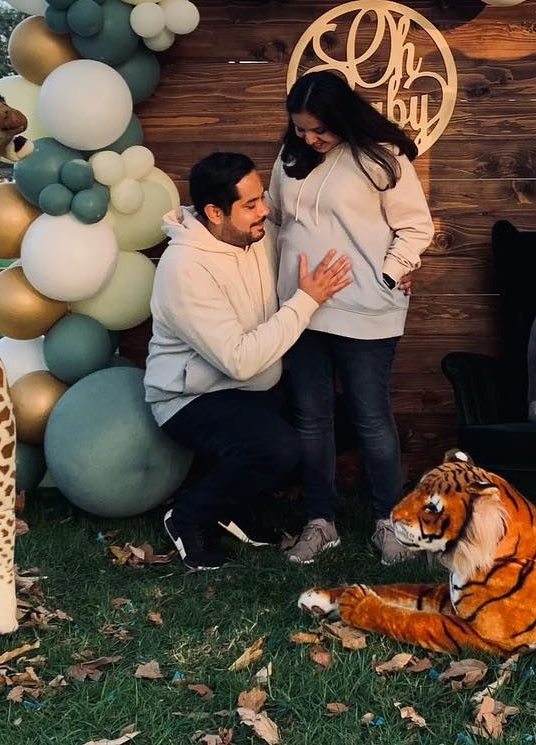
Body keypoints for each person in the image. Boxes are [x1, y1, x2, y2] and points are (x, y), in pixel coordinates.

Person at [145, 151, 352, 571]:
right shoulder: (184, 268)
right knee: (277, 446)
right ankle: (188, 517)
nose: (266, 211)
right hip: (190, 397)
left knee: (338, 422)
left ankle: (237, 507)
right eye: (252, 205)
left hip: (254, 388)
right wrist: (307, 300)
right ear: (214, 212)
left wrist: (393, 265)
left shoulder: (255, 235)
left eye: (262, 198)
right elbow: (239, 361)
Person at [270, 71, 435, 566]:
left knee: (370, 418)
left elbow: (415, 228)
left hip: (365, 310)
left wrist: (388, 275)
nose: (310, 139)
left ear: (342, 116)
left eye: (319, 129)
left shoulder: (382, 158)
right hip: (301, 308)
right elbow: (277, 220)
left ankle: (390, 521)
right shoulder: (291, 157)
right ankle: (321, 521)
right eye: (300, 129)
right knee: (311, 419)